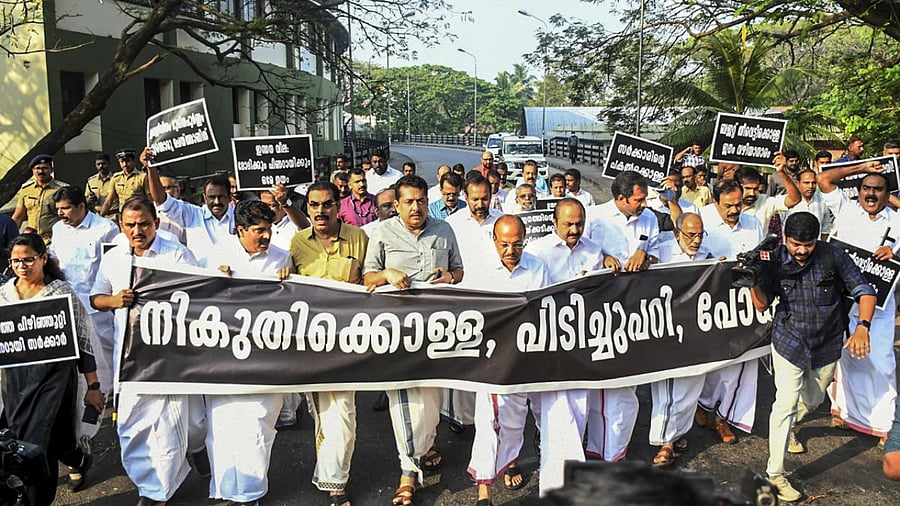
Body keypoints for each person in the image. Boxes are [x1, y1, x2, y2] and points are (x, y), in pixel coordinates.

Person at [748, 211, 876, 502]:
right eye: (795, 244)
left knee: (814, 401)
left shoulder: (833, 255)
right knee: (785, 403)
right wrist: (754, 279)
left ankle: (791, 426)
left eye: (808, 244)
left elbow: (864, 291)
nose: (802, 251)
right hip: (789, 339)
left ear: (818, 239)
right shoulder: (774, 259)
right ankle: (775, 474)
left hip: (827, 343)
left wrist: (862, 328)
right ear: (785, 239)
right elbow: (762, 304)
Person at [90, 197, 201, 505]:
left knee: (173, 422)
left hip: (169, 355)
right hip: (129, 357)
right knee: (131, 424)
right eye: (130, 225)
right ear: (120, 226)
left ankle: (156, 492)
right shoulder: (114, 258)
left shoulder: (176, 253)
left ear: (156, 222)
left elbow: (199, 296)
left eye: (144, 224)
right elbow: (95, 297)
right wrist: (114, 301)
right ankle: (151, 481)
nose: (137, 231)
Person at [362, 175, 463, 506]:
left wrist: (449, 277)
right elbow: (367, 277)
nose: (416, 207)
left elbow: (459, 271)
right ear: (397, 205)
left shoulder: (444, 229)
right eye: (409, 201)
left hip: (437, 334)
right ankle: (408, 473)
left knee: (431, 402)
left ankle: (427, 443)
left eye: (421, 200)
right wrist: (387, 275)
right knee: (405, 403)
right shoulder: (382, 232)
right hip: (399, 335)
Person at [524, 199, 621, 496]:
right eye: (568, 224)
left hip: (582, 344)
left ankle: (562, 479)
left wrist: (607, 260)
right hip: (548, 344)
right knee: (550, 412)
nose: (575, 229)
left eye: (579, 223)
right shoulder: (536, 251)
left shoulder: (592, 249)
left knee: (575, 410)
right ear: (555, 222)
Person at [0, 233, 104, 505]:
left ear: (43, 259)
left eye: (29, 260)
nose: (22, 266)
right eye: (16, 261)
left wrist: (93, 387)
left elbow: (82, 342)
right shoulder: (3, 295)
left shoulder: (61, 293)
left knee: (38, 446)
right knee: (49, 442)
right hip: (16, 381)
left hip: (55, 381)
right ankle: (78, 458)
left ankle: (36, 500)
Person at [203, 200, 293, 506]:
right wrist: (214, 279)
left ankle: (250, 493)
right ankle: (226, 491)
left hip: (267, 359)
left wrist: (289, 279)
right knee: (224, 424)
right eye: (258, 230)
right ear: (240, 230)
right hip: (225, 357)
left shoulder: (282, 257)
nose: (266, 235)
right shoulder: (217, 255)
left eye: (268, 229)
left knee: (259, 422)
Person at [291, 182, 368, 506]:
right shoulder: (296, 243)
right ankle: (334, 481)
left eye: (326, 205)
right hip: (310, 342)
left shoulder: (359, 239)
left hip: (348, 341)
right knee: (325, 412)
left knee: (343, 412)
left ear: (338, 206)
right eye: (313, 205)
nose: (320, 211)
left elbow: (368, 280)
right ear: (307, 208)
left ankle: (334, 479)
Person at [467, 214, 550, 506]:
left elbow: (548, 309)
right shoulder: (480, 271)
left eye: (517, 244)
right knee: (488, 420)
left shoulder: (538, 267)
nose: (510, 251)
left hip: (529, 356)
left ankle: (511, 461)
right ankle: (484, 490)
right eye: (504, 244)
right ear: (494, 241)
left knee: (517, 419)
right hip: (492, 359)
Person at [817, 161, 900, 443]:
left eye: (878, 190)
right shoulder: (847, 209)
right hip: (841, 300)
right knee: (844, 357)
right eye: (866, 188)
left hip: (880, 306)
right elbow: (825, 179)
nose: (871, 194)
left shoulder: (897, 220)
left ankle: (883, 422)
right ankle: (844, 410)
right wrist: (862, 167)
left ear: (887, 193)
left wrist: (895, 252)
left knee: (880, 360)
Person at [696, 179, 764, 443]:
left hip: (746, 306)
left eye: (738, 204)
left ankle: (723, 418)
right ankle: (703, 404)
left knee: (740, 366)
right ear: (715, 202)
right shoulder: (704, 222)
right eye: (728, 206)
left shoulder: (753, 224)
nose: (735, 210)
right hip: (711, 306)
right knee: (712, 363)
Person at [650, 213, 715, 468]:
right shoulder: (662, 253)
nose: (696, 240)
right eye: (691, 235)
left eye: (700, 234)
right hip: (665, 333)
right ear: (677, 234)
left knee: (690, 388)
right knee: (667, 389)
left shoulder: (707, 256)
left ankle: (678, 433)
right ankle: (665, 442)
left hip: (695, 333)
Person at [144, 147, 236, 268]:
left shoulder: (240, 217)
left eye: (221, 197)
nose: (216, 202)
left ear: (230, 197)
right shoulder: (193, 214)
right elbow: (162, 201)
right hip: (201, 279)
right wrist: (151, 168)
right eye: (211, 197)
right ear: (204, 197)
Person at [12, 154, 65, 239]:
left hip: (54, 238)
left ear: (51, 170)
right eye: (37, 168)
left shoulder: (62, 189)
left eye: (45, 168)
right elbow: (18, 216)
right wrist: (10, 236)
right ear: (32, 170)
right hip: (32, 240)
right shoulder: (26, 190)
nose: (41, 171)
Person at [99, 148, 149, 218]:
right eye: (122, 161)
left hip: (139, 214)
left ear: (134, 161)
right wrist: (100, 218)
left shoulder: (142, 177)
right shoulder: (116, 178)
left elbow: (150, 199)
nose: (125, 164)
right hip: (123, 215)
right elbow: (108, 201)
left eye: (128, 161)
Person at [85, 153, 116, 218]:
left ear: (109, 164)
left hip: (113, 215)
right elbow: (86, 199)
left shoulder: (116, 179)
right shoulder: (91, 181)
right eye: (98, 164)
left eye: (104, 163)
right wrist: (89, 200)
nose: (101, 166)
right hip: (97, 215)